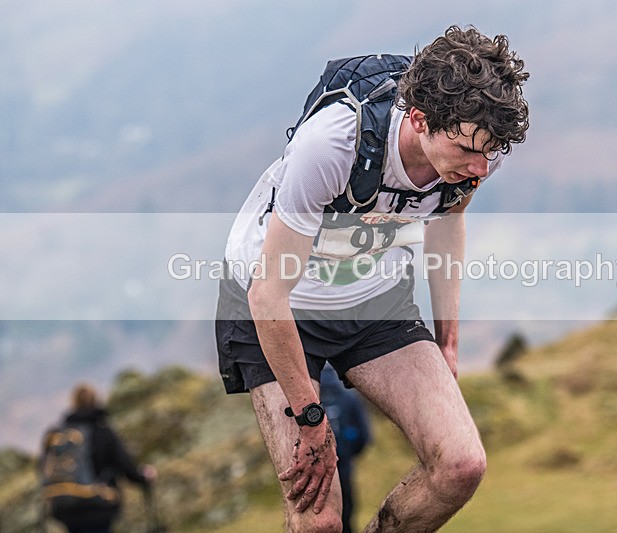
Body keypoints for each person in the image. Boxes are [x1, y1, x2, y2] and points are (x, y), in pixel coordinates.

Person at [216, 25, 529, 532]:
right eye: (469, 148)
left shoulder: (469, 159)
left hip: (373, 298)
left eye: (491, 151)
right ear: (421, 119)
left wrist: (447, 337)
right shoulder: (335, 143)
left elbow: (447, 226)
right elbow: (268, 293)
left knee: (461, 466)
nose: (480, 166)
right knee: (319, 522)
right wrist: (311, 420)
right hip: (278, 306)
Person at [40, 383, 157, 533]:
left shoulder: (58, 433)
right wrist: (143, 478)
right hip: (97, 507)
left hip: (65, 508)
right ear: (96, 400)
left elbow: (43, 468)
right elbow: (125, 466)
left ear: (73, 403)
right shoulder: (101, 431)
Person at [320, 364, 371, 533]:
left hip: (314, 468)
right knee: (346, 511)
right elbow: (364, 434)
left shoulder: (309, 396)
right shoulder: (349, 397)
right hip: (343, 464)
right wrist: (350, 453)